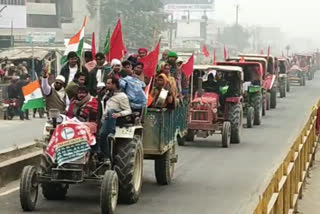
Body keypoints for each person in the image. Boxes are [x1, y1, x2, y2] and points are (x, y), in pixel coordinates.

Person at [99, 77, 132, 159]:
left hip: (114, 119)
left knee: (111, 112)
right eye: (106, 83)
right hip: (104, 119)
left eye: (108, 83)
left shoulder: (122, 96)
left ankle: (111, 134)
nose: (106, 85)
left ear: (114, 85)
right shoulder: (106, 95)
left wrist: (119, 114)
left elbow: (128, 110)